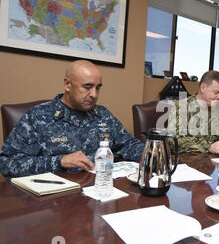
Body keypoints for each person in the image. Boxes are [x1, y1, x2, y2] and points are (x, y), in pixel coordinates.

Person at [0, 60, 145, 179]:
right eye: (87, 87)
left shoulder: (103, 115)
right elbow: (8, 164)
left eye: (98, 88)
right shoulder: (38, 117)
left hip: (100, 193)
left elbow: (128, 145)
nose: (94, 94)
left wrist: (156, 151)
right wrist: (59, 161)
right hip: (54, 203)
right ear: (67, 85)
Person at [167, 70, 219, 154]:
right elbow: (172, 141)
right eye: (216, 92)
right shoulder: (181, 107)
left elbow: (217, 137)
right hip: (187, 161)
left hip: (210, 161)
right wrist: (208, 147)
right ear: (203, 87)